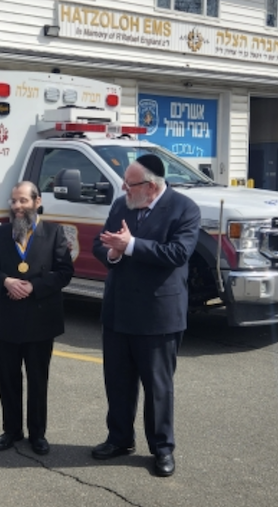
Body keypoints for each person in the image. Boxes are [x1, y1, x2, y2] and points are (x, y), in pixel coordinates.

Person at [90, 153, 200, 477]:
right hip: (118, 311)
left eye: (130, 184)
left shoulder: (184, 209)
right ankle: (119, 438)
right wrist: (112, 252)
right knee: (118, 382)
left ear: (151, 187)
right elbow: (100, 243)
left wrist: (130, 245)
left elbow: (178, 253)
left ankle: (162, 448)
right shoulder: (121, 206)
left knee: (158, 388)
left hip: (157, 315)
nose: (123, 188)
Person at [0, 182, 73, 456]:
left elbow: (64, 272)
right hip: (8, 319)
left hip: (40, 319)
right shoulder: (1, 233)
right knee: (7, 379)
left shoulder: (54, 232)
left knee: (37, 380)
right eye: (14, 201)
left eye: (23, 200)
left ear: (37, 201)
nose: (17, 206)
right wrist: (6, 281)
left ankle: (37, 434)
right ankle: (11, 430)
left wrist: (34, 287)